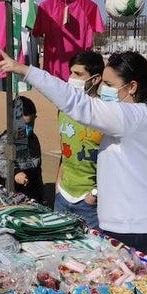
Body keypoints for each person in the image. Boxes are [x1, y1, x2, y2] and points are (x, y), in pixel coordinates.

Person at [0, 48, 147, 261]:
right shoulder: (129, 116)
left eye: (109, 85)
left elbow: (78, 104)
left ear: (132, 87)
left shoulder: (137, 116)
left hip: (145, 231)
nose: (103, 89)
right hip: (125, 226)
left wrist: (25, 70)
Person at [53, 51, 104, 229]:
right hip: (63, 196)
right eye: (71, 72)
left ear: (95, 79)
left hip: (89, 203)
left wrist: (94, 194)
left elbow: (112, 161)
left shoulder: (105, 114)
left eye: (78, 74)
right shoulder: (64, 109)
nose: (71, 78)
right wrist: (58, 184)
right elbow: (64, 147)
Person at [0, 96, 44, 202]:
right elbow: (0, 162)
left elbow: (37, 168)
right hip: (12, 190)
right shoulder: (8, 140)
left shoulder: (33, 139)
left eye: (30, 124)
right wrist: (15, 173)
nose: (28, 128)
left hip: (32, 191)